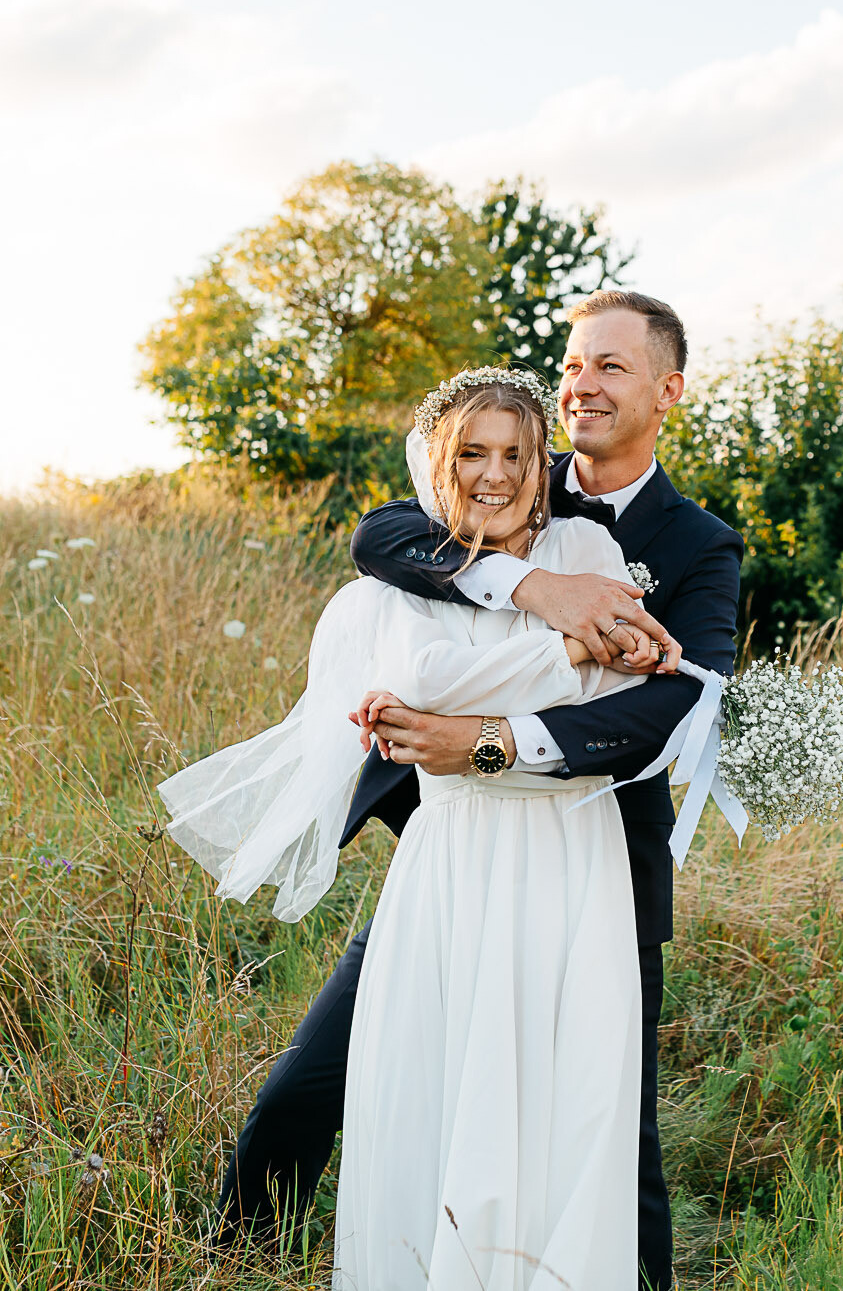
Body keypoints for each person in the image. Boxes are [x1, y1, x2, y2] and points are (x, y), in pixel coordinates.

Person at [214, 292, 742, 1290]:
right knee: (321, 1077)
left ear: (668, 390)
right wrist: (536, 590)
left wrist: (488, 744)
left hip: (593, 858)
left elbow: (673, 704)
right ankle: (231, 1255)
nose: (582, 384)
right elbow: (378, 536)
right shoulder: (504, 466)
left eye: (611, 366)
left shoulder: (698, 544)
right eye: (574, 363)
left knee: (605, 1127)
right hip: (453, 849)